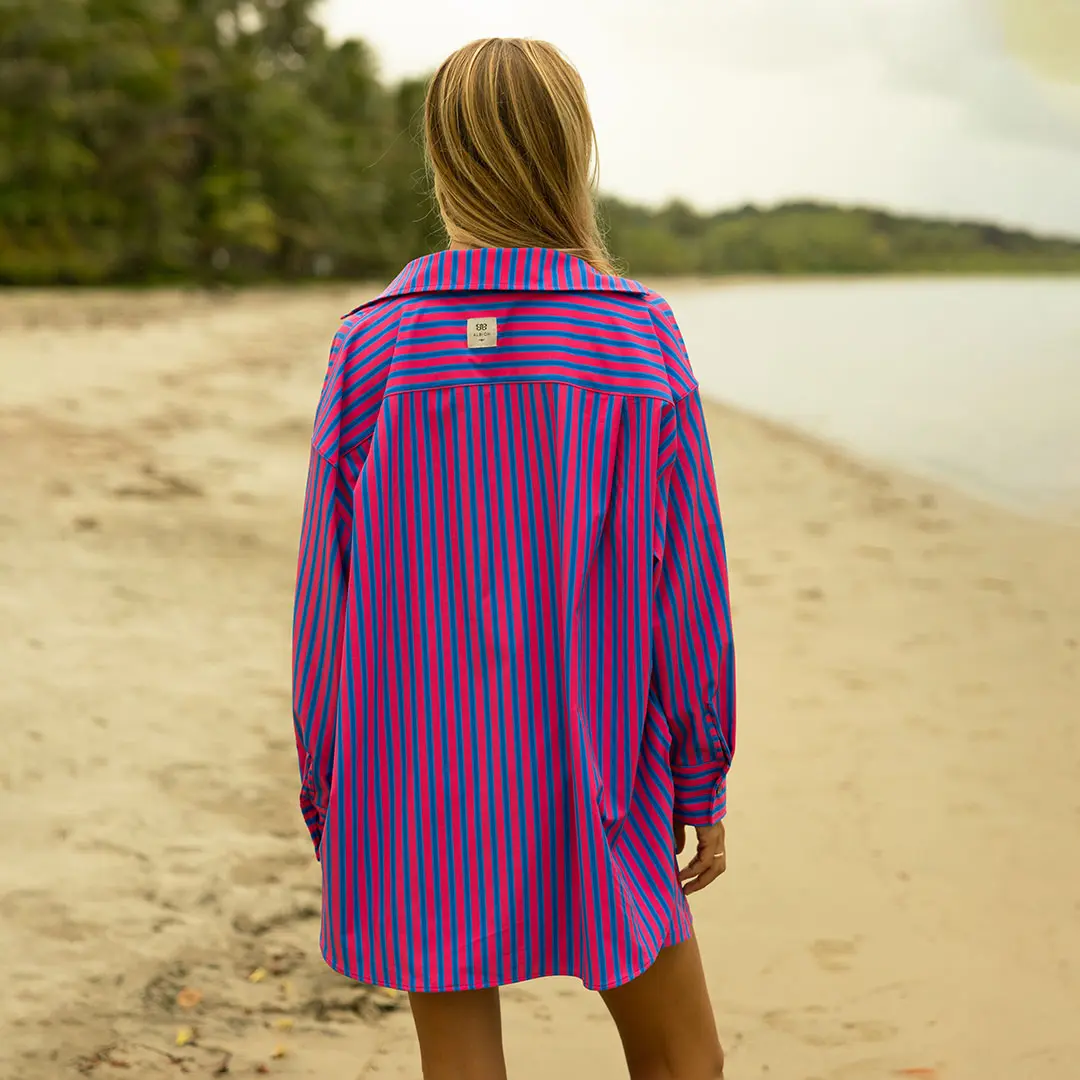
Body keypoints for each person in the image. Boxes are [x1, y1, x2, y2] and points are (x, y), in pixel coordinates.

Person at [292, 37, 736, 1080]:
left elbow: (324, 603)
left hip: (409, 785)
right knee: (685, 1060)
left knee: (459, 1063)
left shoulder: (373, 349)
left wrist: (327, 783)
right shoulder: (636, 341)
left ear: (444, 158)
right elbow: (689, 588)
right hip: (600, 773)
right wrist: (701, 777)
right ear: (572, 152)